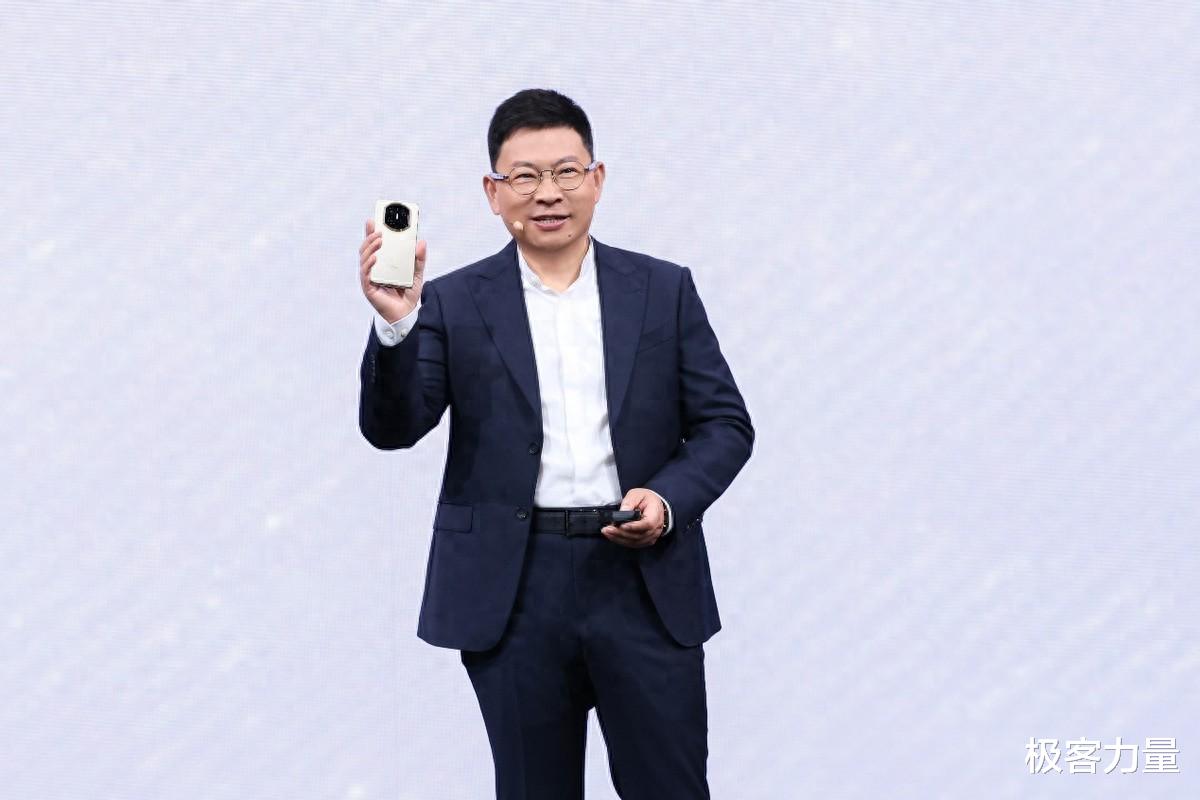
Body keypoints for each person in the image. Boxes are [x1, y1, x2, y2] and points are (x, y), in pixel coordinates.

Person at [357, 88, 753, 800]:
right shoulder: (450, 302)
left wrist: (666, 501)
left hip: (642, 578)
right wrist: (396, 324)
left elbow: (726, 425)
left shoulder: (662, 290)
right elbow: (394, 430)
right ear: (493, 192)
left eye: (567, 172)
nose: (548, 193)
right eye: (525, 176)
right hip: (515, 589)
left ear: (597, 180)